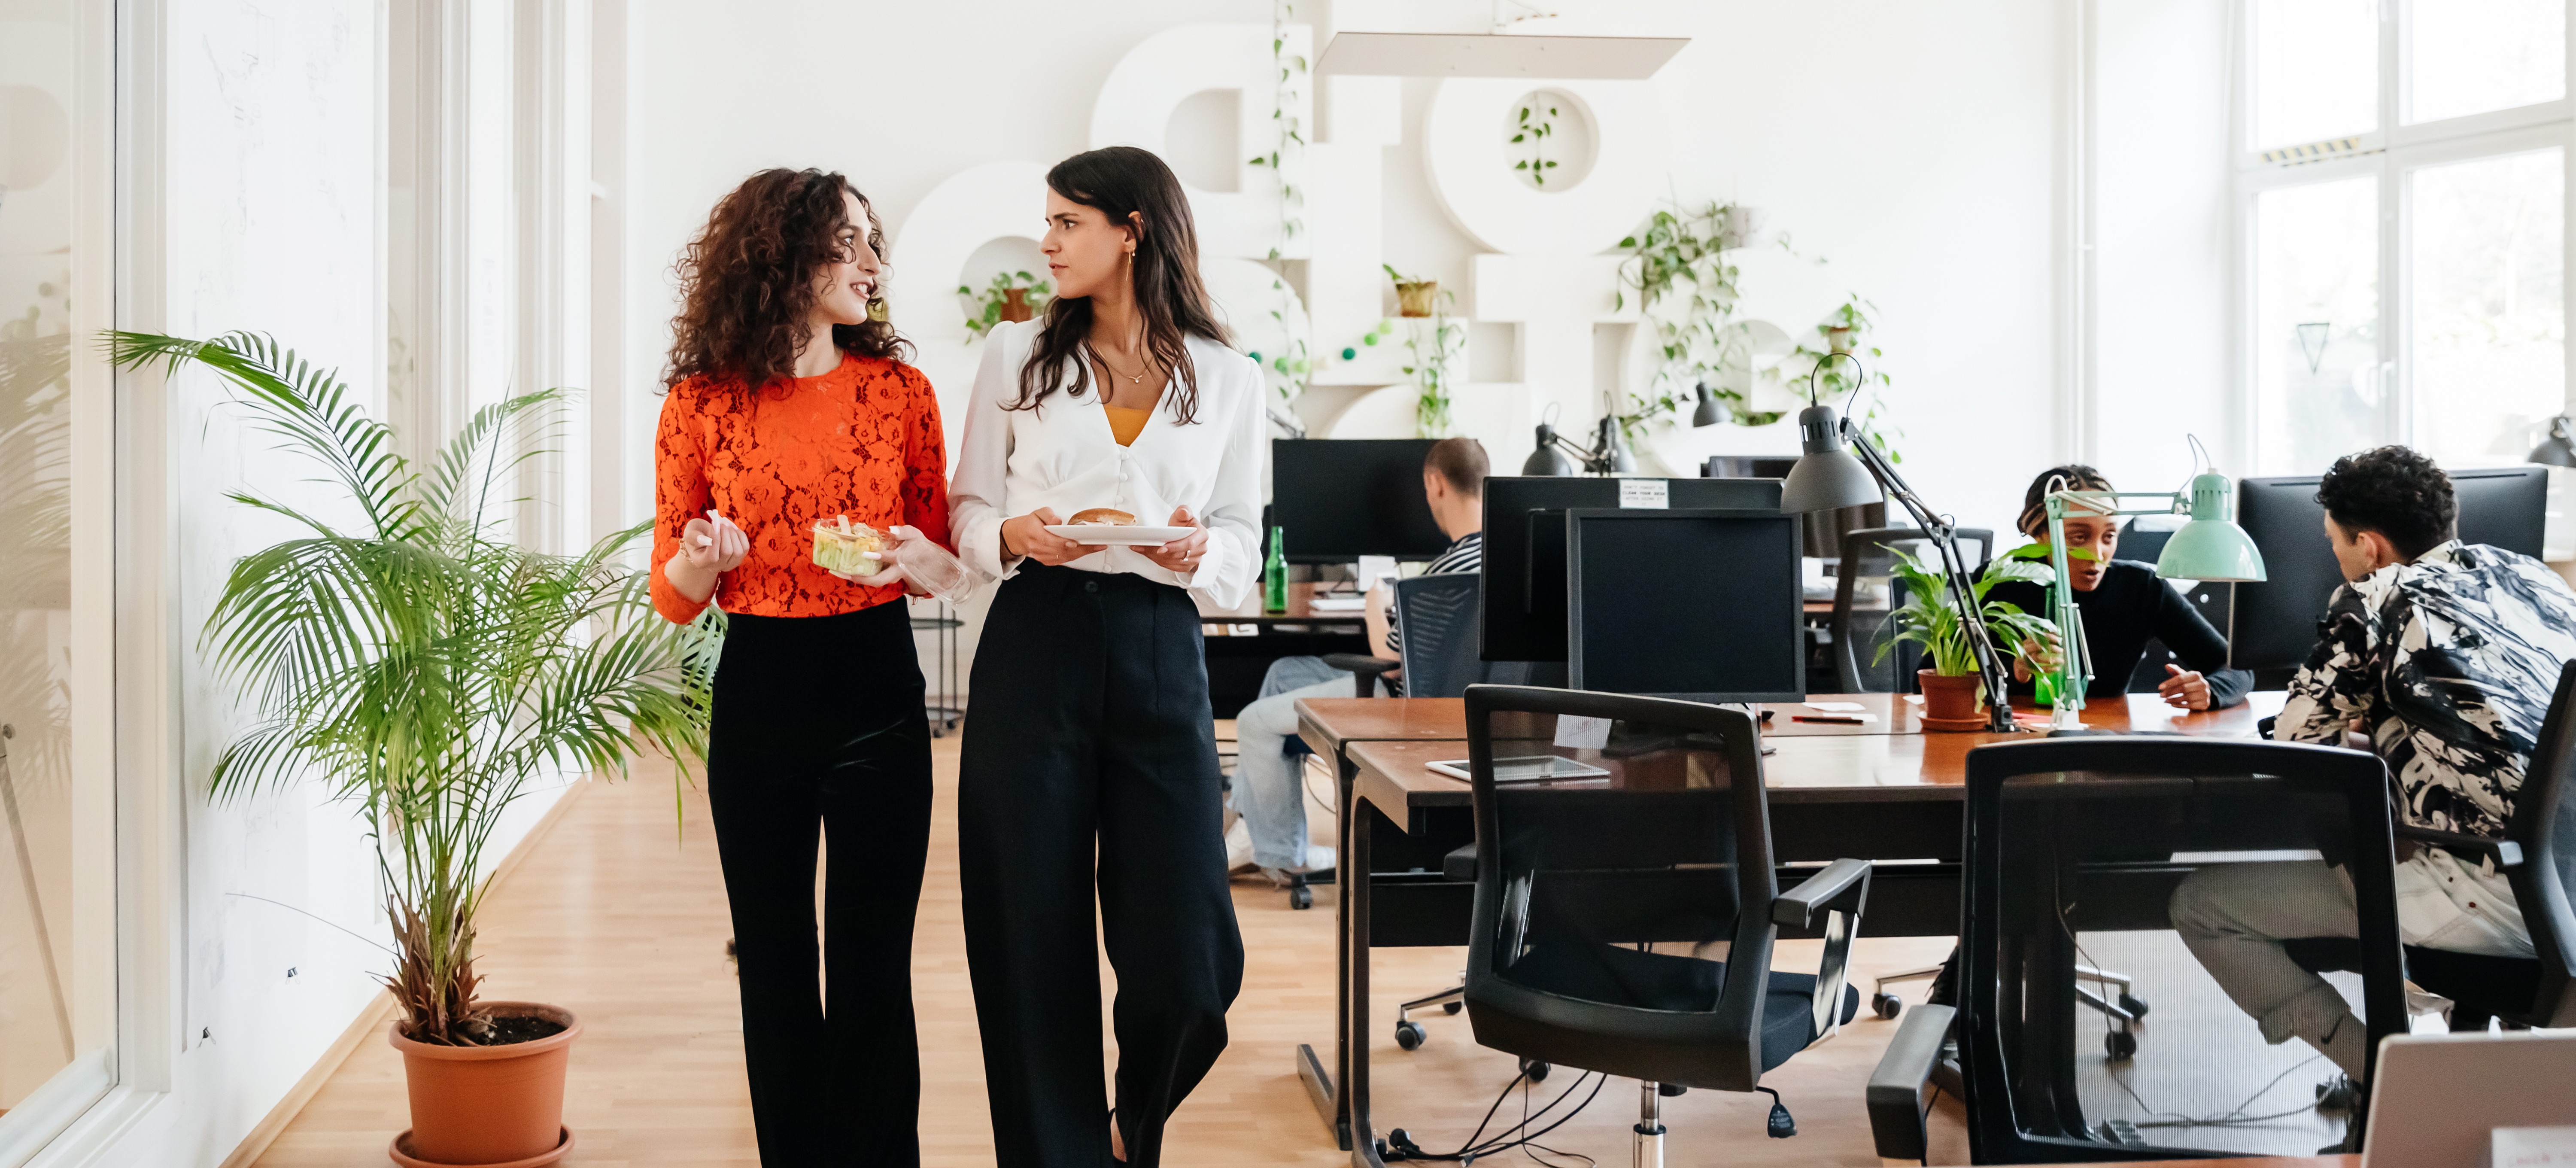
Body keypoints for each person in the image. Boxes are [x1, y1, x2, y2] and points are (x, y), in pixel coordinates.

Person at [947, 146, 1258, 1168]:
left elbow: (1242, 542)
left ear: (1131, 228)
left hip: (1162, 648)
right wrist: (1014, 536)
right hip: (1035, 641)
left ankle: (1131, 1126)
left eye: (1066, 223)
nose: (1046, 242)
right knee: (1026, 935)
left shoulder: (1227, 376)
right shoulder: (1014, 355)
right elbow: (968, 511)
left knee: (1191, 961)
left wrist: (1198, 547)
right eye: (1046, 222)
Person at [650, 168, 949, 1165]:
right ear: (784, 254)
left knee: (872, 968)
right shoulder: (699, 404)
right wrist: (701, 557)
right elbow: (672, 589)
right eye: (852, 242)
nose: (875, 263)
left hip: (877, 689)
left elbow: (939, 558)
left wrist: (918, 557)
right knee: (775, 966)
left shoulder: (901, 393)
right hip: (761, 696)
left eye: (876, 243)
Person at [2171, 445, 2576, 1079]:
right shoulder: (2534, 578)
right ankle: (2449, 1077)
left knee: (2202, 905)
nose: (2333, 558)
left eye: (2334, 543)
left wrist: (2360, 715)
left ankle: (2394, 1082)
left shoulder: (2376, 599)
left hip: (2493, 894)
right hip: (2566, 888)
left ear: (2370, 547)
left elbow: (2296, 744)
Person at [1225, 437, 1488, 880]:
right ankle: (1261, 826)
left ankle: (1284, 856)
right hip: (1465, 705)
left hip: (1404, 704)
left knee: (1253, 721)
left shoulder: (1445, 570)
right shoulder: (1495, 558)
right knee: (1283, 672)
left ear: (1435, 483)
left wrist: (1375, 603)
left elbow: (1390, 659)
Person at [1988, 464, 2253, 711]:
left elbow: (2236, 669)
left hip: (2110, 740)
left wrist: (2210, 691)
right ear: (2040, 535)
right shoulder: (1999, 585)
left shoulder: (2141, 588)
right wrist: (2016, 670)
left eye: (2109, 536)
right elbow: (1954, 684)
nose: (2096, 553)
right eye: (2079, 537)